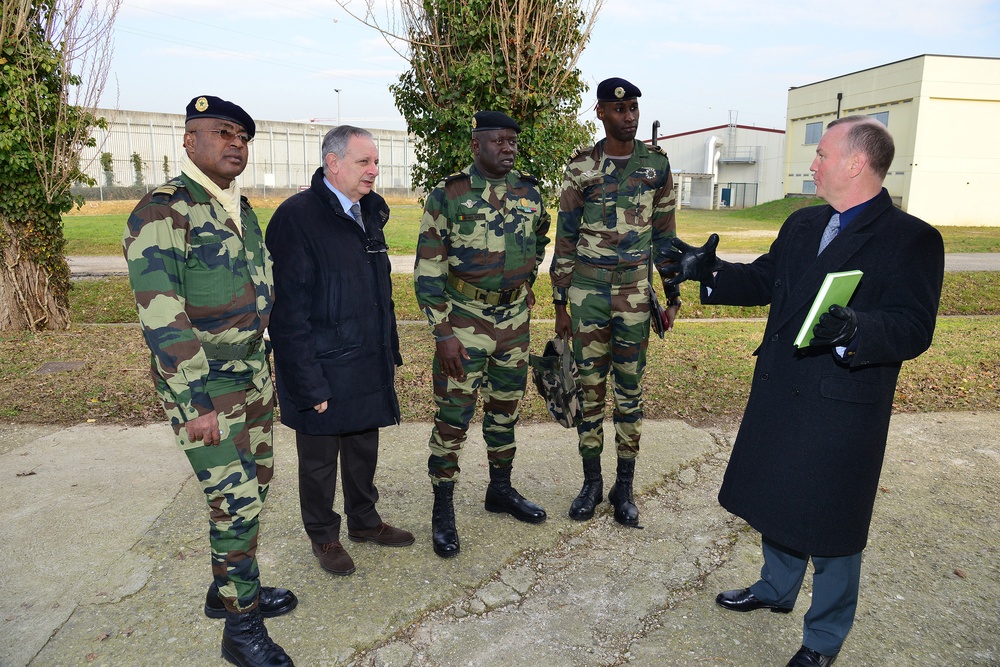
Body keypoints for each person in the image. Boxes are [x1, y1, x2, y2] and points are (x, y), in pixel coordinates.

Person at [662, 116, 944, 667]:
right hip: (780, 388)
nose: (812, 164)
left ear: (857, 163)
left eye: (822, 155)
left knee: (834, 525)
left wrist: (858, 331)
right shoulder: (802, 223)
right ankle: (776, 587)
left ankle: (822, 640)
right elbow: (768, 280)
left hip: (843, 403)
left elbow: (914, 326)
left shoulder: (912, 240)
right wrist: (710, 270)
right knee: (775, 496)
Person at [123, 95, 294, 667]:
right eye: (221, 133)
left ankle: (228, 590)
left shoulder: (238, 207)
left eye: (242, 135)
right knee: (236, 501)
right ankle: (241, 631)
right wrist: (196, 403)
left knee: (255, 489)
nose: (235, 143)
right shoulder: (163, 211)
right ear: (189, 141)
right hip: (204, 385)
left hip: (251, 374)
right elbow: (161, 316)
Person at [266, 126, 413, 578]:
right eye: (363, 162)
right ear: (333, 163)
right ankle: (324, 536)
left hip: (364, 360)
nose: (374, 171)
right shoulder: (297, 218)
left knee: (363, 448)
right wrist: (308, 383)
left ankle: (365, 523)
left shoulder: (369, 212)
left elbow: (378, 292)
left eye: (375, 163)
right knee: (318, 462)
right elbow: (288, 315)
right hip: (321, 367)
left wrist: (387, 353)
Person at [414, 110, 551, 558]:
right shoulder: (449, 195)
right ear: (476, 146)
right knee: (454, 418)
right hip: (464, 322)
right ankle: (443, 506)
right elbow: (428, 272)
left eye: (513, 141)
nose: (508, 148)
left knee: (505, 412)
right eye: (498, 141)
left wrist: (524, 283)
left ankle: (500, 490)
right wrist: (443, 334)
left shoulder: (530, 192)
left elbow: (540, 240)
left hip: (514, 323)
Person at [550, 77, 680, 527]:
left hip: (635, 294)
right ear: (601, 113)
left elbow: (666, 236)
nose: (629, 117)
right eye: (619, 110)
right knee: (589, 390)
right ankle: (591, 483)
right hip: (586, 294)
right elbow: (565, 237)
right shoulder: (581, 166)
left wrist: (673, 293)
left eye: (634, 110)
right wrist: (560, 304)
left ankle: (624, 488)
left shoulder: (655, 165)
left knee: (630, 390)